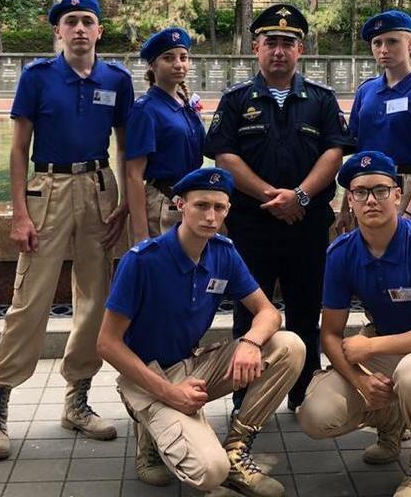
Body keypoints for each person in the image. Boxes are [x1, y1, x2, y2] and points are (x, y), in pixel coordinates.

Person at [0, 0, 132, 459]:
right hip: (48, 189)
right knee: (30, 298)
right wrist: (19, 212)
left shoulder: (117, 79)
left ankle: (77, 399)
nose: (80, 28)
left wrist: (125, 201)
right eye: (71, 21)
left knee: (96, 299)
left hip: (98, 189)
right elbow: (17, 147)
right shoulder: (38, 77)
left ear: (99, 30)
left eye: (87, 20)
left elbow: (125, 145)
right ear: (58, 31)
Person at [97, 167, 305, 497]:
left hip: (192, 365)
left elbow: (268, 312)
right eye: (201, 205)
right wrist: (170, 393)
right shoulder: (142, 261)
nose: (211, 216)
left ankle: (236, 451)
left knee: (289, 345)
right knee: (210, 472)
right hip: (147, 375)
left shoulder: (223, 253)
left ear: (228, 210)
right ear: (180, 205)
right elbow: (107, 344)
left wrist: (251, 343)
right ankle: (150, 432)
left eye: (219, 208)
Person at [203, 2, 353, 411]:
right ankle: (246, 394)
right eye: (271, 42)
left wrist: (299, 196)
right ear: (256, 47)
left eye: (288, 43)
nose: (279, 51)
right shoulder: (236, 100)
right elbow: (225, 157)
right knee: (249, 313)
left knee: (306, 309)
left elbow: (334, 153)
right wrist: (274, 196)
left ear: (300, 49)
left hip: (307, 224)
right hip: (253, 226)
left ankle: (303, 392)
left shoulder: (321, 100)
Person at [298, 151, 411, 497]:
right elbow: (329, 333)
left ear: (397, 194)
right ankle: (392, 423)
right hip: (386, 350)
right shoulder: (342, 253)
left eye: (380, 190)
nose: (371, 200)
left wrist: (373, 345)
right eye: (360, 192)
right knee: (316, 414)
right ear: (350, 200)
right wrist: (360, 381)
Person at [339, 10, 411, 230]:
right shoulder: (366, 91)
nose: (383, 49)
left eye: (392, 41)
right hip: (366, 192)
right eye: (377, 43)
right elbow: (358, 154)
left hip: (408, 191)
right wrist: (346, 207)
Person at [124, 27, 205, 242]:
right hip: (162, 204)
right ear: (153, 65)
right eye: (168, 58)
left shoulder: (185, 104)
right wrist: (141, 234)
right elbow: (133, 175)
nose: (178, 64)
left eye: (183, 57)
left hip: (190, 201)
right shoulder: (146, 109)